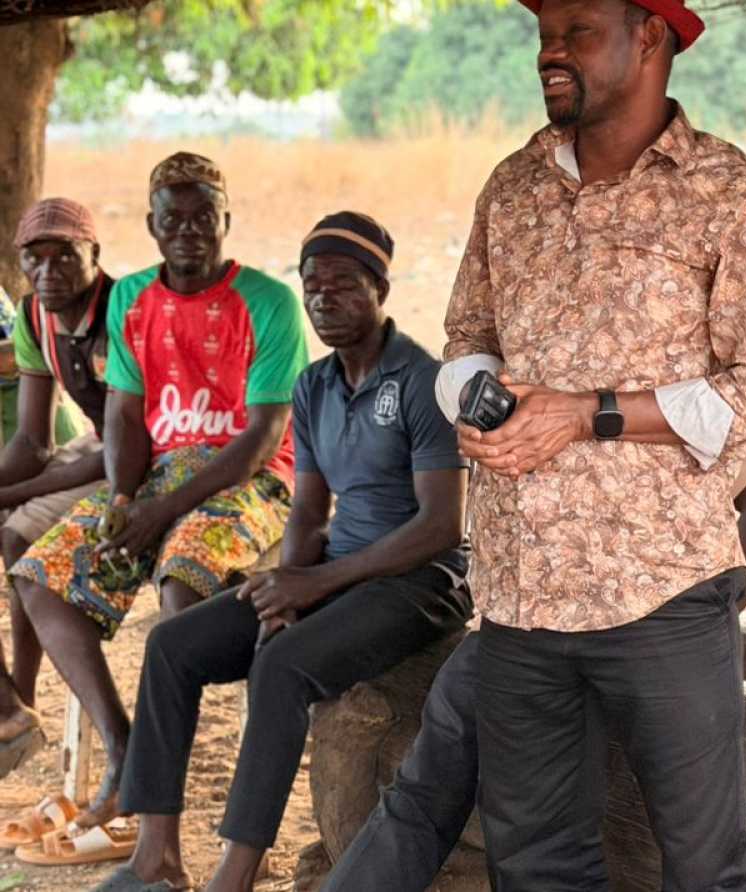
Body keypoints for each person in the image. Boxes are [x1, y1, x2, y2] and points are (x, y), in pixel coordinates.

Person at [437, 0, 746, 886]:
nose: (550, 52)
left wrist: (587, 412)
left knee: (702, 867)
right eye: (543, 35)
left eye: (576, 31)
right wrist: (481, 395)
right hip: (519, 590)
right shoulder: (514, 186)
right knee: (535, 863)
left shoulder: (741, 197)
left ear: (651, 35)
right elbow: (467, 333)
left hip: (661, 593)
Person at [90, 211, 472, 892]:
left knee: (283, 669)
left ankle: (235, 874)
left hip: (420, 580)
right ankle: (155, 856)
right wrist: (288, 584)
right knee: (172, 646)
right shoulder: (315, 385)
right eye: (313, 285)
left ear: (380, 288)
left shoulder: (421, 381)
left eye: (345, 284)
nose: (325, 298)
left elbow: (442, 526)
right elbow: (306, 508)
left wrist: (316, 583)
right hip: (338, 572)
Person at [322, 454, 746, 891]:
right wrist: (676, 643)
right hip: (569, 637)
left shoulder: (644, 385)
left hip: (532, 635)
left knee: (425, 806)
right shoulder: (653, 387)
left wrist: (675, 641)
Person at [7, 152, 308, 848]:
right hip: (157, 474)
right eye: (174, 218)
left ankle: (160, 813)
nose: (190, 231)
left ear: (226, 219)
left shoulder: (267, 301)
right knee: (39, 579)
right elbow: (124, 415)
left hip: (249, 476)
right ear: (152, 224)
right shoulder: (133, 298)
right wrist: (121, 498)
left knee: (180, 587)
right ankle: (125, 748)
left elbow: (263, 436)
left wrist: (159, 514)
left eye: (205, 216)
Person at [0, 198, 108, 775]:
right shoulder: (33, 315)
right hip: (95, 445)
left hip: (157, 453)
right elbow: (32, 443)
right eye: (33, 258)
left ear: (94, 254)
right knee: (13, 531)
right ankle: (14, 705)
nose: (47, 270)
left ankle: (14, 699)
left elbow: (124, 449)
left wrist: (8, 495)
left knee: (19, 532)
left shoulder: (123, 314)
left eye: (63, 254)